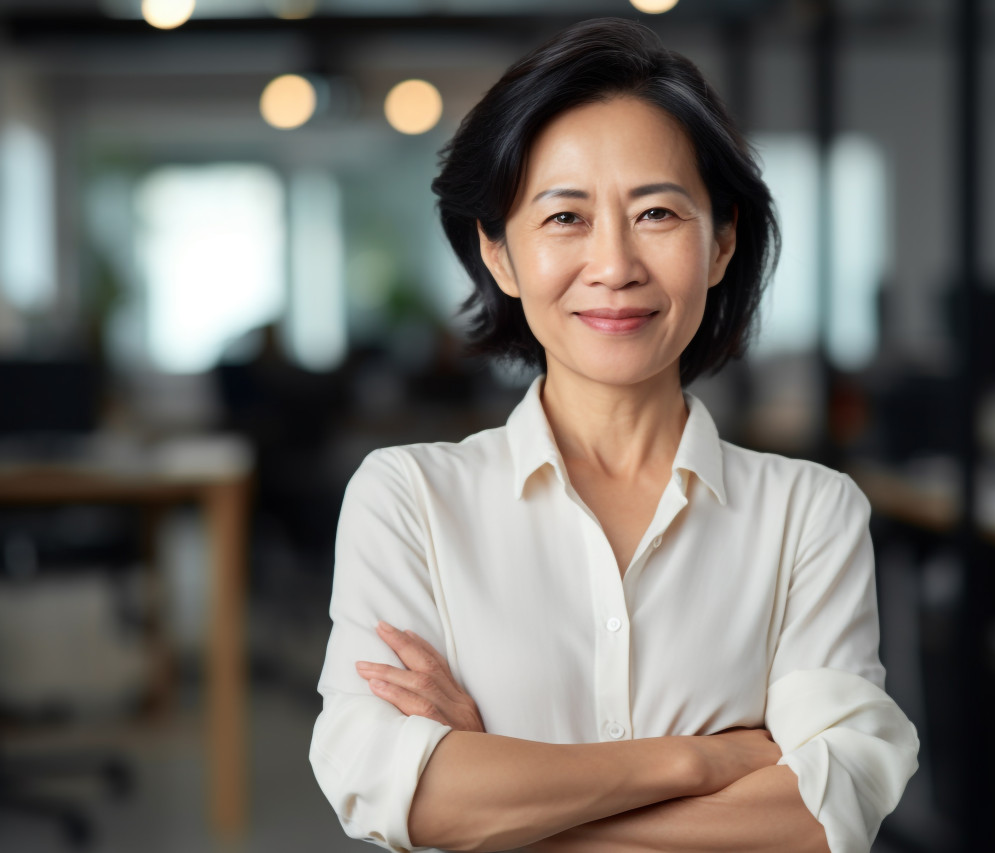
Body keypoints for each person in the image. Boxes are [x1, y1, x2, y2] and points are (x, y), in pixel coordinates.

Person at [310, 17, 918, 853]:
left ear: (722, 242)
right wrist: (698, 762)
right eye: (564, 217)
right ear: (500, 253)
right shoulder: (409, 498)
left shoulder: (809, 513)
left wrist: (505, 790)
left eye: (658, 212)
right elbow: (387, 787)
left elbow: (826, 810)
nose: (615, 264)